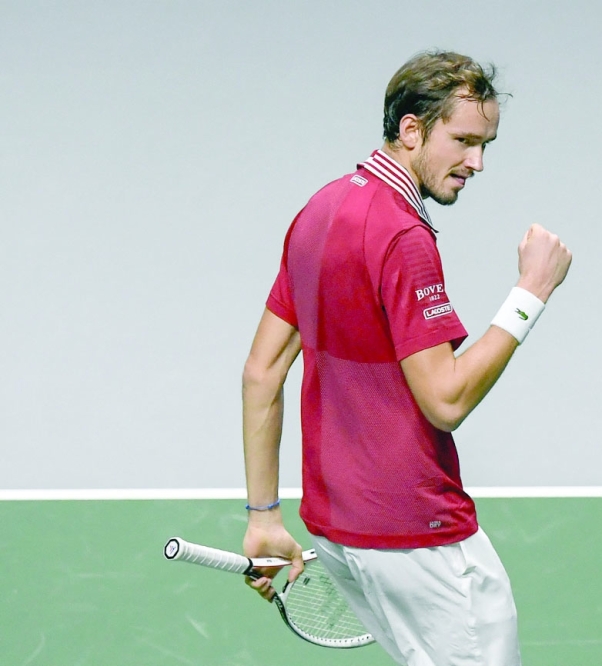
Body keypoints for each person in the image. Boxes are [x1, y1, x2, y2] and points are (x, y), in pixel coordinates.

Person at [239, 50, 572, 665]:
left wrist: (263, 516)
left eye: (485, 145)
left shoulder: (321, 209)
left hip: (338, 531)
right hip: (414, 532)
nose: (476, 162)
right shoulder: (401, 236)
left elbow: (261, 372)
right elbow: (445, 398)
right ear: (412, 128)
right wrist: (531, 293)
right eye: (464, 141)